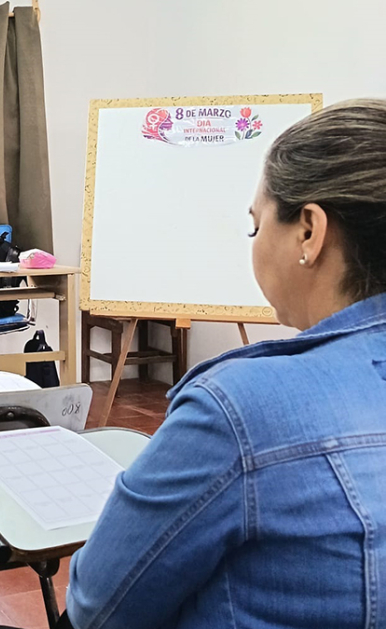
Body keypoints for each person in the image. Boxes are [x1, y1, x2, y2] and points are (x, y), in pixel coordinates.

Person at [65, 99, 386, 628]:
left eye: (254, 226)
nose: (253, 243)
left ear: (309, 231)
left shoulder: (240, 409)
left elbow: (96, 605)